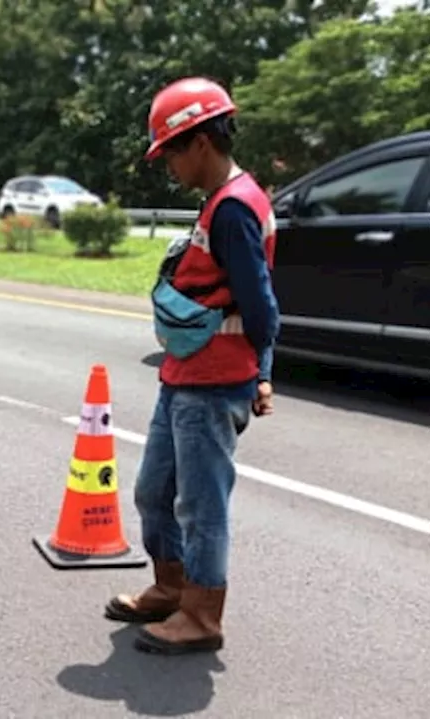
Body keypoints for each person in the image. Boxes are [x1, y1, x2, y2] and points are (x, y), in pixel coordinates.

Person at [105, 77, 279, 655]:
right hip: (184, 377)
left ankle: (202, 617)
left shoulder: (233, 209)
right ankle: (170, 587)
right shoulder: (218, 202)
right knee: (154, 492)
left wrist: (261, 371)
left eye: (171, 153)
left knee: (201, 507)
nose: (169, 166)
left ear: (200, 142)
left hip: (213, 383)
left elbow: (261, 304)